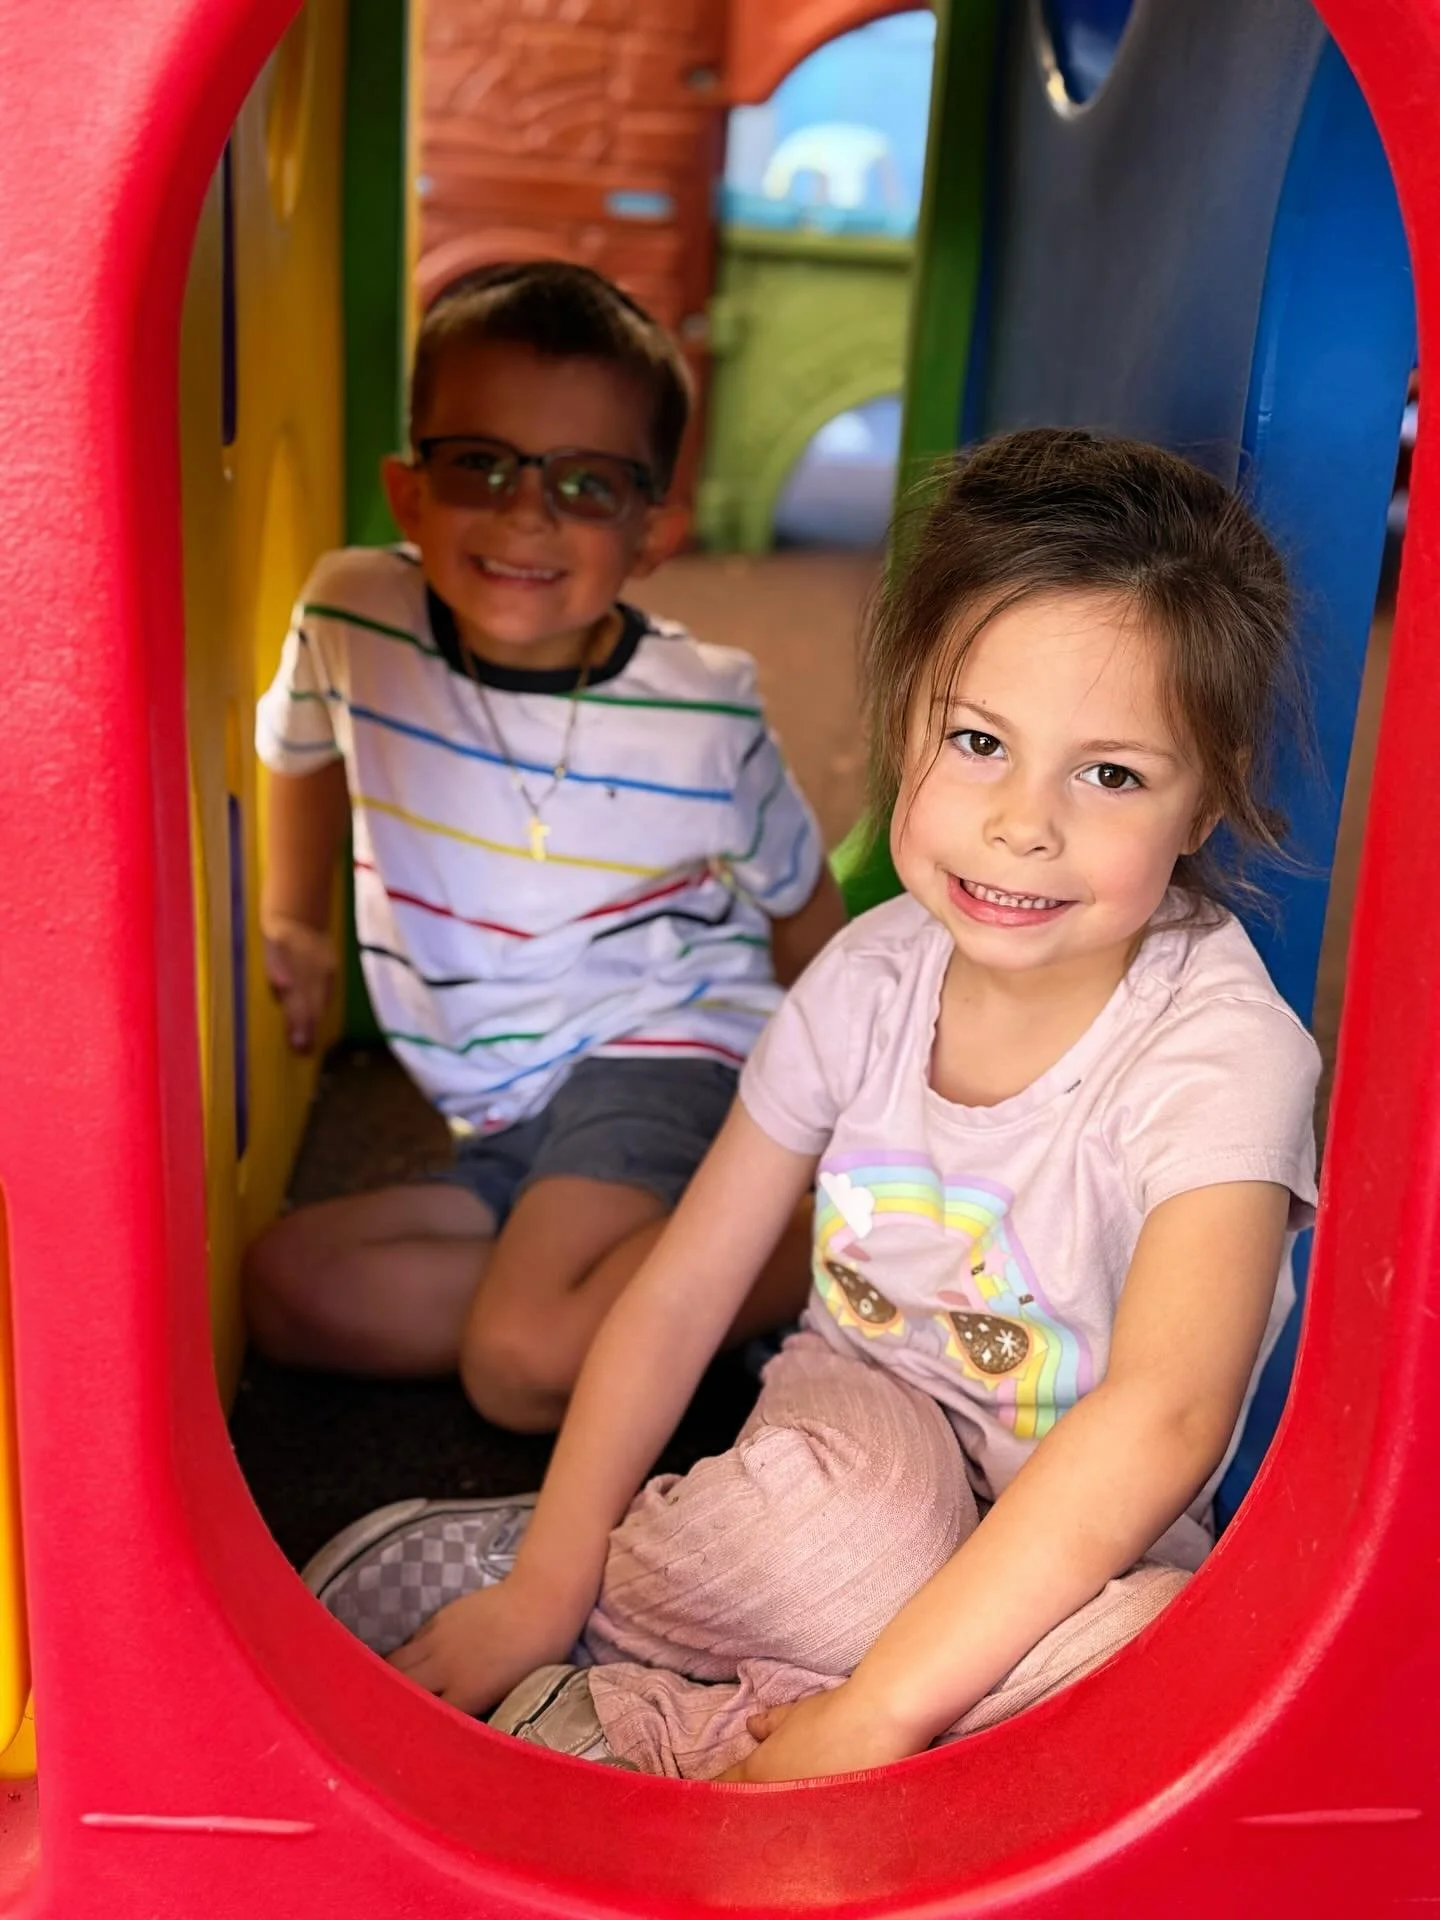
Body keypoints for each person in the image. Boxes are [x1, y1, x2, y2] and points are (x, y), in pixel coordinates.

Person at [368, 426, 1321, 1781]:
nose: (1022, 823)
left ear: (1206, 799)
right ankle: (571, 1576)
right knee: (849, 1546)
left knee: (1183, 1656)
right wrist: (545, 1584)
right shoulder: (868, 979)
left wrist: (882, 1706)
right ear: (903, 725)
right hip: (854, 1439)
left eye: (1109, 774)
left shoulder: (1227, 1053)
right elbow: (683, 1290)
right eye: (979, 741)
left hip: (1083, 1522)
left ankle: (730, 1717)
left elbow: (1161, 1418)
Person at [244, 261, 844, 1434]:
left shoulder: (703, 708)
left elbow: (802, 903)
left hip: (666, 1046)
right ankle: (648, 1288)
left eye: (585, 483)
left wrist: (840, 1113)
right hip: (503, 1101)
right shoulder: (351, 617)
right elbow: (300, 749)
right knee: (289, 1289)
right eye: (482, 465)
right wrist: (292, 920)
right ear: (409, 493)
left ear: (651, 532)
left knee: (518, 1366)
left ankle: (841, 1233)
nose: (528, 515)